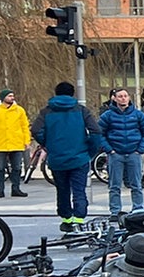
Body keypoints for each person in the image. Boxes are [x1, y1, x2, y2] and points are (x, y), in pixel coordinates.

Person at [31, 81, 102, 231]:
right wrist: (90, 150)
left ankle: (67, 220)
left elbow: (36, 130)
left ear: (56, 93)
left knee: (62, 190)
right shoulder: (82, 110)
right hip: (80, 157)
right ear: (72, 93)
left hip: (57, 158)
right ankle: (79, 219)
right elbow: (95, 131)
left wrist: (48, 143)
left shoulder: (46, 111)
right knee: (79, 190)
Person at [99, 87, 144, 216]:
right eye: (120, 96)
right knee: (114, 186)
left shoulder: (138, 115)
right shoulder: (107, 115)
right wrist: (109, 150)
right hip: (115, 154)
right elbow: (99, 134)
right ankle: (115, 211)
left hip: (134, 153)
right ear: (115, 98)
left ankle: (138, 208)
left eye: (125, 96)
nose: (123, 98)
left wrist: (140, 149)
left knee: (136, 185)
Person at [0, 89, 28, 199]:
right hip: (0, 144)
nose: (12, 97)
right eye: (9, 96)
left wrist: (26, 141)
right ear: (3, 97)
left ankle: (16, 189)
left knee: (17, 167)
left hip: (16, 143)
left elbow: (25, 126)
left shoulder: (19, 110)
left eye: (12, 96)